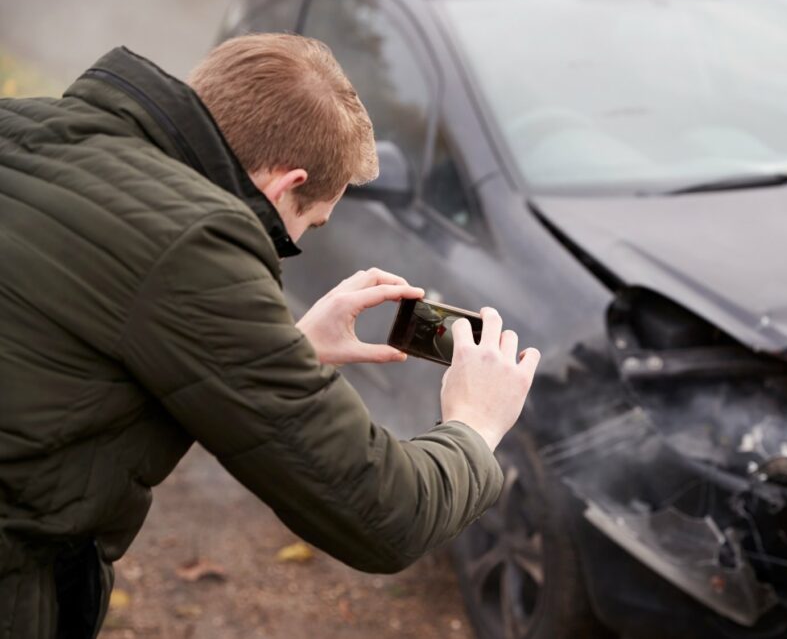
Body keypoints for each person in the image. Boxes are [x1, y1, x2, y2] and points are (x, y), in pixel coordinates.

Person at [0, 33, 540, 639]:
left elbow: (88, 329)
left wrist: (287, 348)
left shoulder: (22, 129)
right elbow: (384, 515)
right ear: (286, 185)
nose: (295, 246)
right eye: (305, 227)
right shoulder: (194, 248)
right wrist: (475, 424)